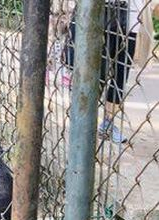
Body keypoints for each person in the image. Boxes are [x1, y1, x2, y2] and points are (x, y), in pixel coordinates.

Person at [63, 0, 155, 144]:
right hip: (101, 17)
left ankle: (108, 124)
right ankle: (83, 121)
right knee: (94, 75)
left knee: (120, 77)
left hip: (131, 24)